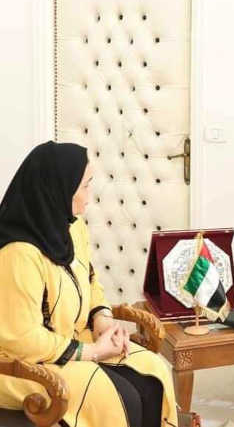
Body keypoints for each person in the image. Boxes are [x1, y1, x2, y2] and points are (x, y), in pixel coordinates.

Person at [0, 141, 178, 427]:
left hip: (73, 341)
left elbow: (91, 279)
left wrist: (102, 320)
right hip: (22, 364)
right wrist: (91, 352)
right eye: (84, 186)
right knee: (118, 397)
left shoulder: (71, 227)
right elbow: (22, 339)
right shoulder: (17, 254)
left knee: (153, 370)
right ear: (57, 189)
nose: (89, 197)